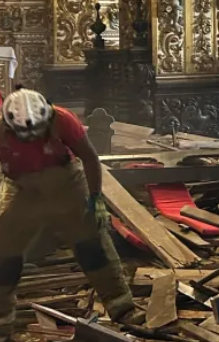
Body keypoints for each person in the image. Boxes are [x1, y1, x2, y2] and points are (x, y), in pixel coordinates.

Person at [0, 87, 143, 340]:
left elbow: (89, 157)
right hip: (26, 190)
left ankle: (123, 309)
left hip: (67, 184)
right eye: (25, 134)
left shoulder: (63, 119)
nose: (32, 138)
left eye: (37, 131)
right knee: (4, 253)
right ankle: (2, 323)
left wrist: (96, 198)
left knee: (91, 244)